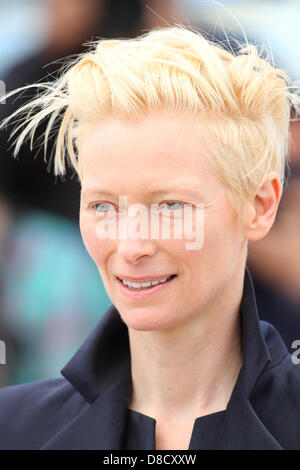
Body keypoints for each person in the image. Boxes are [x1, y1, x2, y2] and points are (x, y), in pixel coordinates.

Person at [0, 25, 300, 450]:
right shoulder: (11, 428)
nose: (132, 246)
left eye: (171, 207)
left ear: (260, 205)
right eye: (103, 207)